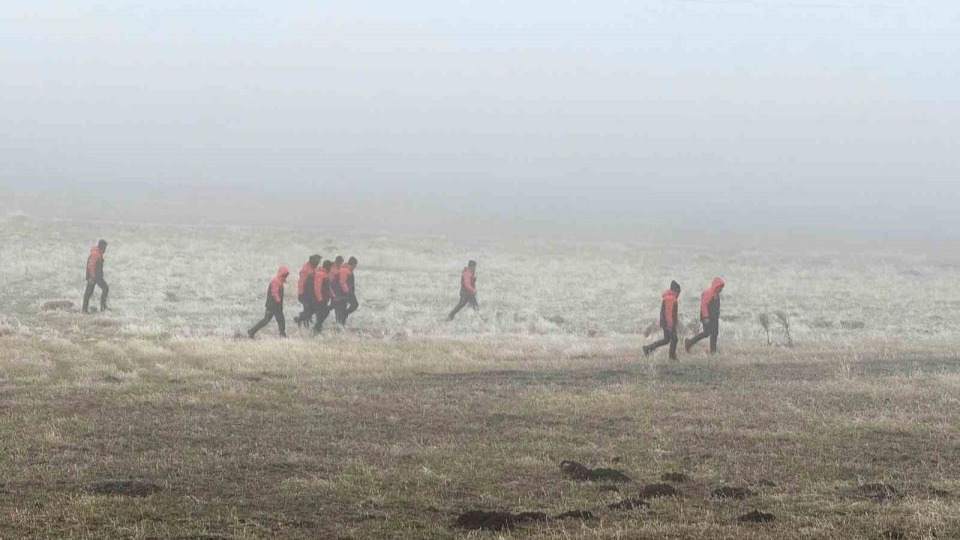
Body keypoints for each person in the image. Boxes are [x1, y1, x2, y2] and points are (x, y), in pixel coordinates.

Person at [685, 277, 725, 354]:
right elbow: (704, 306)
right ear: (716, 285)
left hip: (714, 317)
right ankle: (689, 342)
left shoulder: (717, 294)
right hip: (707, 317)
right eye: (720, 287)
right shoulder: (708, 293)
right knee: (706, 333)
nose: (721, 289)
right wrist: (706, 317)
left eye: (722, 288)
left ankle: (713, 351)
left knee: (715, 334)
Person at [643, 281, 681, 360]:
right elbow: (668, 314)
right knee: (673, 339)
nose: (679, 295)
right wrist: (671, 326)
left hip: (666, 323)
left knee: (667, 340)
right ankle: (671, 357)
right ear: (675, 290)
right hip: (668, 324)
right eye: (679, 292)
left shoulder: (669, 298)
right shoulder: (671, 299)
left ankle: (649, 348)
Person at [248, 266, 289, 338]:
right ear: (281, 274)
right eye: (284, 275)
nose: (285, 277)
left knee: (279, 320)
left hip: (276, 306)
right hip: (273, 306)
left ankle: (282, 335)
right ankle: (252, 331)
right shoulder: (276, 281)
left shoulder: (279, 280)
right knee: (267, 320)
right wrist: (279, 301)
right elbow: (274, 293)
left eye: (286, 275)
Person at [82, 239, 110, 314]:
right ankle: (85, 309)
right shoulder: (95, 254)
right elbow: (91, 266)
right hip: (93, 276)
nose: (105, 249)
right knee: (90, 292)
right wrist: (92, 277)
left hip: (97, 276)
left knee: (104, 288)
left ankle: (102, 306)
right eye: (105, 247)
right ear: (102, 247)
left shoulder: (99, 253)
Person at [294, 255, 322, 327]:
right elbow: (301, 282)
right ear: (312, 261)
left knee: (312, 309)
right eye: (317, 262)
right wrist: (301, 294)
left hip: (311, 293)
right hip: (305, 294)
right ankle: (304, 325)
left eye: (319, 262)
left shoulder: (314, 268)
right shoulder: (305, 269)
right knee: (307, 309)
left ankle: (301, 318)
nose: (318, 263)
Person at [335, 257, 359, 326]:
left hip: (348, 292)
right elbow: (342, 282)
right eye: (355, 265)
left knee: (345, 307)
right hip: (345, 293)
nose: (355, 267)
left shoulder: (348, 269)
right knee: (354, 304)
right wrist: (347, 291)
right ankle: (341, 321)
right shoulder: (344, 270)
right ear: (353, 264)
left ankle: (341, 323)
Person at [312, 260, 334, 334]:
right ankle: (316, 328)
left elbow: (328, 287)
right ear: (327, 267)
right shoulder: (320, 274)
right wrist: (319, 298)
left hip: (324, 298)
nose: (331, 269)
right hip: (320, 299)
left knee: (322, 313)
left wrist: (332, 294)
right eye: (331, 267)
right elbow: (317, 287)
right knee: (324, 312)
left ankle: (317, 329)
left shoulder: (325, 274)